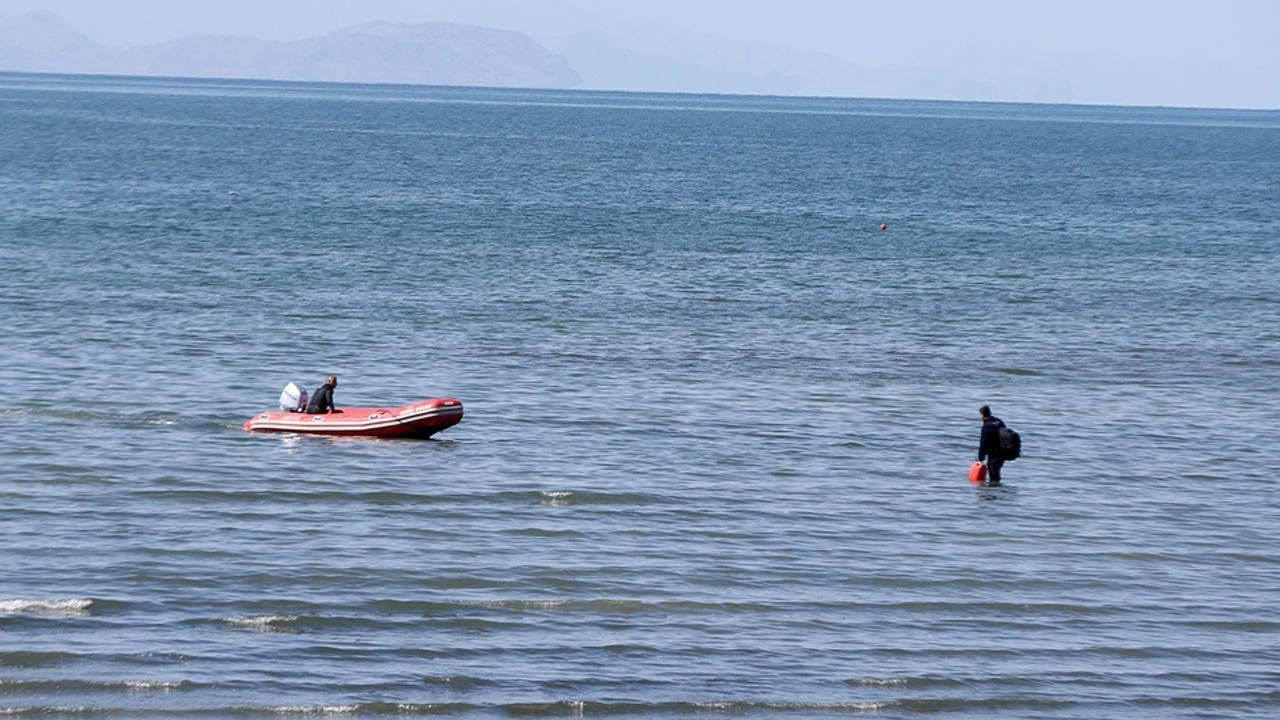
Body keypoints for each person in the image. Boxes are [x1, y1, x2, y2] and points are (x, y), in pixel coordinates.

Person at [977, 405, 1007, 485]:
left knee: (993, 475)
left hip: (994, 454)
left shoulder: (986, 426)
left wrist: (980, 459)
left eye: (980, 414)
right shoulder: (998, 421)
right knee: (997, 472)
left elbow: (983, 443)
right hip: (1003, 451)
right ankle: (997, 490)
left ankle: (994, 493)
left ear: (982, 414)